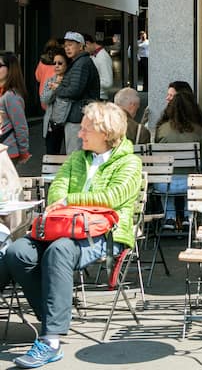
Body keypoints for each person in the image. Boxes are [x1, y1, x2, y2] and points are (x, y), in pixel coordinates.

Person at [1, 102, 141, 368]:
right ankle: (52, 314)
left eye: (86, 128)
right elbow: (56, 193)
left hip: (104, 235)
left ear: (105, 131)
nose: (80, 133)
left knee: (59, 251)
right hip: (62, 228)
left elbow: (111, 199)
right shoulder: (78, 158)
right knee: (16, 252)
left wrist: (71, 201)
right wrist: (68, 203)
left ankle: (51, 340)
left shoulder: (130, 163)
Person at [155, 91, 202, 229]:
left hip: (164, 185)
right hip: (190, 184)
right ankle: (188, 216)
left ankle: (169, 216)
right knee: (190, 172)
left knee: (165, 175)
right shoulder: (198, 130)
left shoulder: (161, 130)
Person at [55, 31, 101, 154]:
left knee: (76, 154)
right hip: (80, 115)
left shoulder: (81, 64)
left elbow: (75, 91)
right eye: (65, 46)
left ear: (81, 46)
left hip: (78, 116)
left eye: (70, 44)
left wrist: (57, 88)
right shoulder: (79, 62)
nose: (67, 48)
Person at [164, 81, 202, 173]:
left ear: (182, 98)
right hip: (200, 170)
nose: (167, 98)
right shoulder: (200, 119)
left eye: (171, 95)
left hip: (171, 174)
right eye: (168, 95)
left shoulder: (164, 124)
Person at [0, 53, 30, 165]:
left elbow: (20, 126)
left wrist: (23, 150)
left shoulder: (11, 95)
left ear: (10, 69)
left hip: (7, 151)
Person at [39, 50, 70, 155]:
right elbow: (44, 100)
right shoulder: (50, 80)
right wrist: (53, 89)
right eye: (54, 63)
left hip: (66, 122)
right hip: (52, 123)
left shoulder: (70, 81)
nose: (56, 66)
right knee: (51, 153)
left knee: (69, 155)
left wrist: (60, 87)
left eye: (60, 63)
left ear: (67, 65)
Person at [84, 34, 113, 101]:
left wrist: (88, 83)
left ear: (87, 43)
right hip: (96, 95)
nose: (83, 51)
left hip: (99, 97)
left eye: (83, 48)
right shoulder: (95, 55)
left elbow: (108, 82)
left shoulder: (102, 57)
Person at [34, 38, 59, 111]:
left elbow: (37, 77)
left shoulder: (42, 61)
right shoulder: (59, 61)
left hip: (43, 92)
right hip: (54, 91)